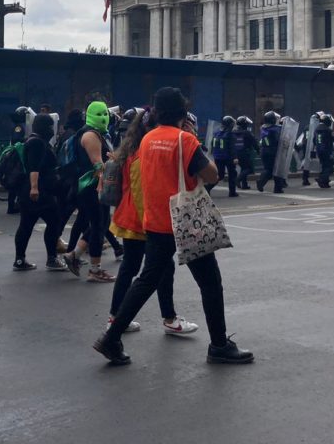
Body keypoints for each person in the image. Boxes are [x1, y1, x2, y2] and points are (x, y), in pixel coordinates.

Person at [93, 87, 253, 366]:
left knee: (145, 280)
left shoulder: (147, 140)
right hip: (185, 221)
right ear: (182, 112)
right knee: (210, 283)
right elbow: (212, 174)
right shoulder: (185, 141)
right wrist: (193, 139)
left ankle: (111, 337)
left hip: (156, 222)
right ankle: (218, 344)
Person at [107, 108, 199, 335]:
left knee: (138, 268)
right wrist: (151, 225)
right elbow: (140, 192)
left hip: (132, 218)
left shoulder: (133, 148)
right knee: (150, 270)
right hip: (140, 221)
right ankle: (162, 319)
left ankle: (119, 318)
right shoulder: (142, 153)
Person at [63, 101, 116, 283]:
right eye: (99, 114)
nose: (103, 118)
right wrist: (103, 182)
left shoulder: (95, 134)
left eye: (105, 114)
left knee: (100, 223)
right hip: (92, 187)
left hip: (91, 187)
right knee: (98, 225)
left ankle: (74, 255)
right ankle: (95, 269)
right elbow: (97, 164)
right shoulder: (91, 135)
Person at [12, 114, 68, 272]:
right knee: (54, 222)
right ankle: (51, 258)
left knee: (26, 225)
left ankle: (20, 260)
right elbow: (34, 167)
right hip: (39, 192)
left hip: (29, 192)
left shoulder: (32, 140)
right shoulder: (37, 143)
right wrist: (34, 188)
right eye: (49, 126)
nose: (52, 129)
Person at [256, 111, 286, 194]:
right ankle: (277, 188)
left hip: (264, 151)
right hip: (273, 152)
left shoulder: (263, 128)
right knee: (277, 170)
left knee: (268, 169)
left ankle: (261, 182)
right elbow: (280, 137)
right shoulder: (275, 129)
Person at [208, 116, 238, 197]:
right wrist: (235, 157)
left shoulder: (217, 133)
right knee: (232, 174)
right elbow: (232, 147)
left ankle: (208, 187)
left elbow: (212, 145)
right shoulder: (230, 134)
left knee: (220, 175)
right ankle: (232, 192)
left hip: (218, 157)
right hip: (228, 157)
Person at [314, 114, 334, 188]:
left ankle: (325, 183)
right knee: (330, 167)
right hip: (327, 151)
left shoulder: (316, 129)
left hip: (319, 151)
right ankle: (322, 179)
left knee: (324, 166)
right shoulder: (328, 130)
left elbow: (314, 140)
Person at [232, 116, 258, 189]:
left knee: (244, 168)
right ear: (244, 124)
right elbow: (254, 143)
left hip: (235, 154)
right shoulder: (247, 133)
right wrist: (258, 150)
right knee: (249, 169)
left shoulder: (233, 132)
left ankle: (244, 185)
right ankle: (238, 179)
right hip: (244, 153)